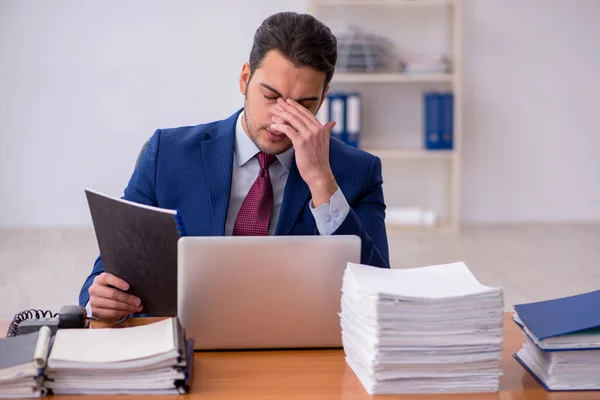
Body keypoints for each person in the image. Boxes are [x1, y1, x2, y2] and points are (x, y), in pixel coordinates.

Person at [79, 12, 390, 323]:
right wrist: (102, 298)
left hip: (296, 346)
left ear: (323, 97)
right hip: (188, 342)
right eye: (271, 97)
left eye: (303, 105)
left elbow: (379, 297)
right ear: (245, 79)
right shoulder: (167, 153)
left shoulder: (357, 172)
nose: (280, 120)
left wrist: (322, 182)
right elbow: (104, 275)